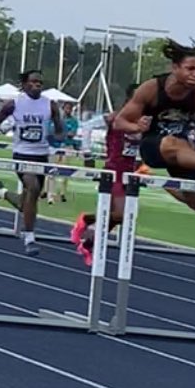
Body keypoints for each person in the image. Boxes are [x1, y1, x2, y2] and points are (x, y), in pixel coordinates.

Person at [113, 38, 195, 211]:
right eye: (190, 69)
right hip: (154, 147)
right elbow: (119, 122)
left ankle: (155, 179)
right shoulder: (152, 89)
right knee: (173, 142)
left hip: (184, 153)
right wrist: (137, 127)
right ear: (175, 68)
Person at [0, 70, 63, 256]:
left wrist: (55, 138)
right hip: (22, 154)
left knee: (28, 201)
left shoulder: (50, 105)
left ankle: (1, 192)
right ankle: (29, 238)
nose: (37, 85)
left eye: (40, 83)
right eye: (33, 82)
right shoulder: (14, 104)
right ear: (25, 84)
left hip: (41, 156)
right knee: (33, 187)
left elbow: (60, 131)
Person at [71, 83, 142, 265]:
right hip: (114, 171)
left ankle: (89, 243)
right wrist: (87, 152)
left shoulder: (144, 121)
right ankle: (87, 221)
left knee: (118, 216)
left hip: (131, 174)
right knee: (120, 214)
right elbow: (86, 127)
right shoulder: (115, 117)